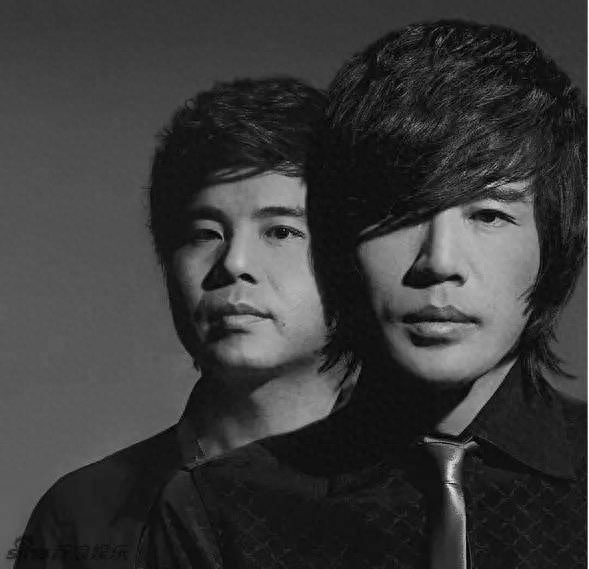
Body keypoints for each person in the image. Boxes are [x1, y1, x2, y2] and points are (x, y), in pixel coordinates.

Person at [140, 20, 586, 569]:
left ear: (556, 241)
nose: (439, 262)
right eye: (398, 213)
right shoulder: (216, 512)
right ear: (336, 240)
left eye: (489, 215)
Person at [15, 77, 351, 569]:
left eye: (281, 231)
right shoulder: (83, 515)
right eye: (204, 233)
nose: (235, 263)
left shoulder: (435, 490)